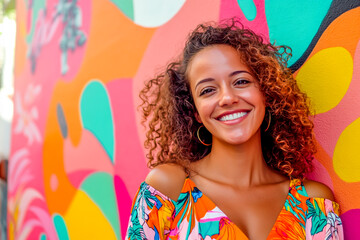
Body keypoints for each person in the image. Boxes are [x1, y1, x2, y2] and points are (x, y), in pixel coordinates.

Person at [126, 19, 343, 239]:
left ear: (265, 93)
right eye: (208, 90)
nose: (228, 98)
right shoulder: (168, 189)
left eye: (240, 82)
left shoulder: (314, 205)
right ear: (195, 112)